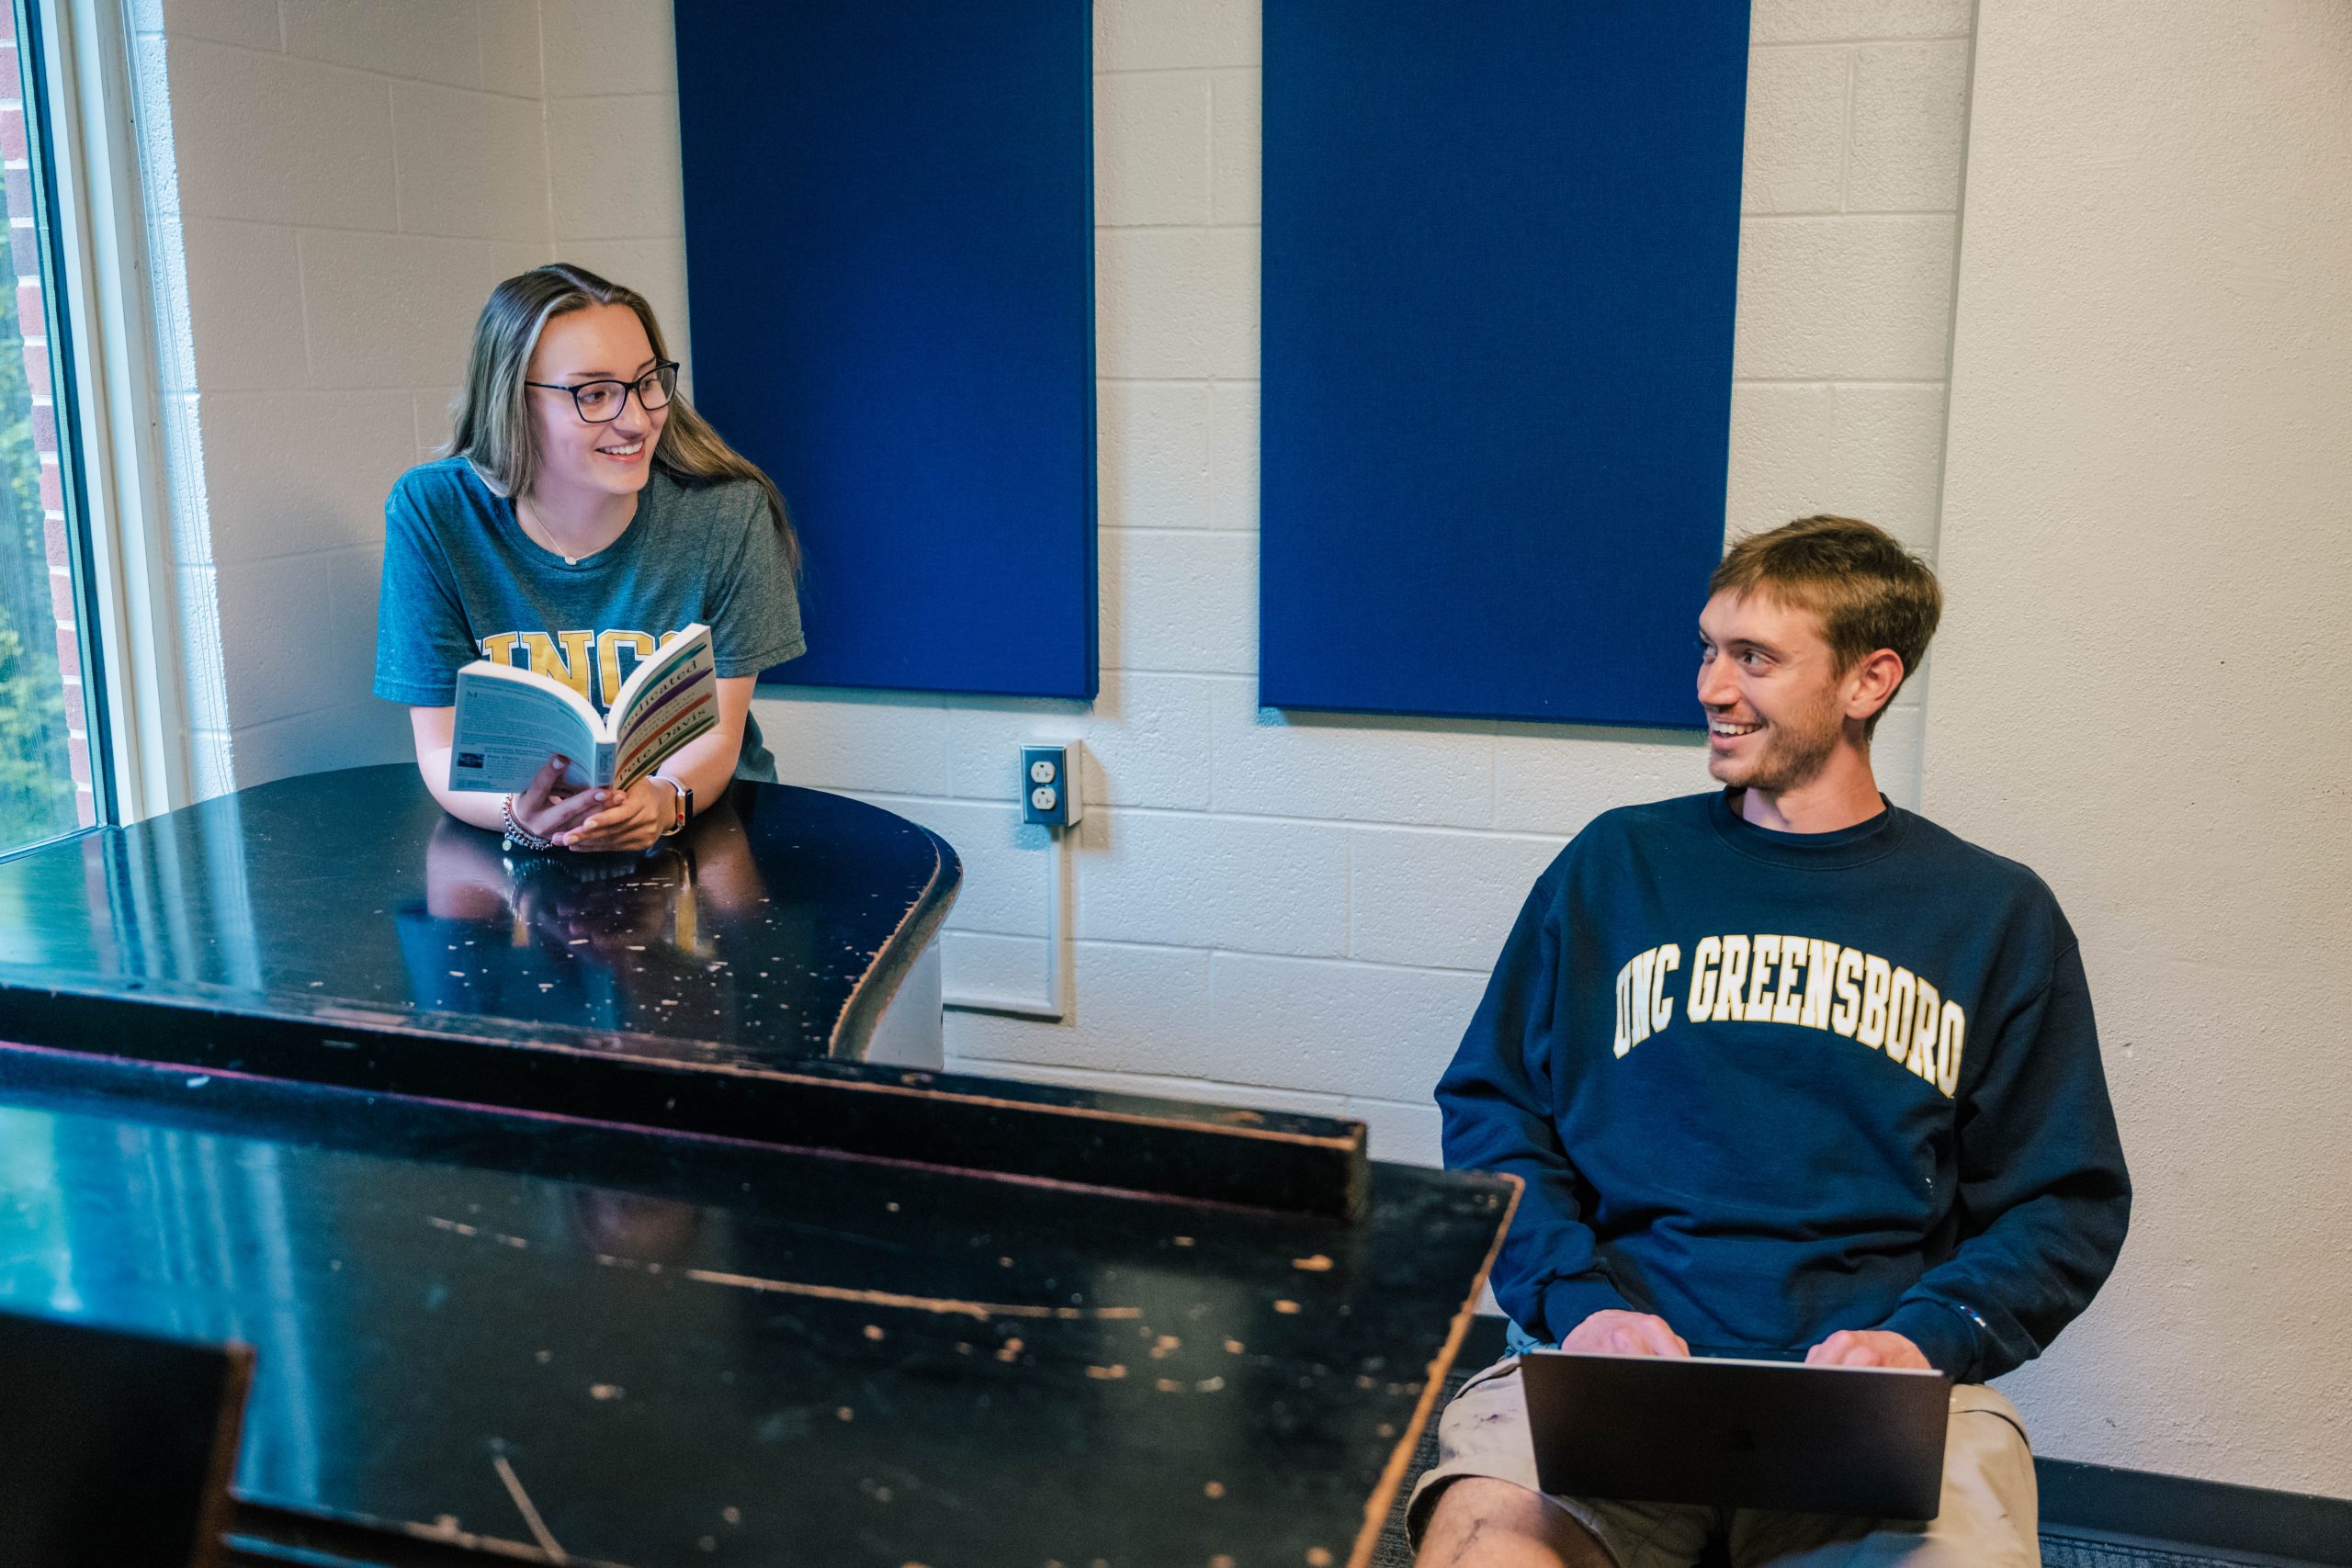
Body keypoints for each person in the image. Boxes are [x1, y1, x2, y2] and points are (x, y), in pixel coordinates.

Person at [1412, 516, 2131, 1566]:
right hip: (1608, 1367)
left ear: (1866, 681)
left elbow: (2063, 1201)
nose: (1711, 686)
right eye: (1708, 648)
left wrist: (1922, 1339)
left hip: (1871, 1399)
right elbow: (1494, 1112)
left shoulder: (1992, 914)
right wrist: (1576, 1305)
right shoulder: (1614, 868)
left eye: (1754, 657)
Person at [374, 264, 804, 855]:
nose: (637, 419)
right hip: (512, 842)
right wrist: (517, 817)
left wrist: (665, 800)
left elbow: (721, 734)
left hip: (703, 835)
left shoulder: (727, 513)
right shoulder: (434, 511)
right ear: (513, 402)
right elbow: (443, 749)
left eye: (648, 381)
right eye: (594, 393)